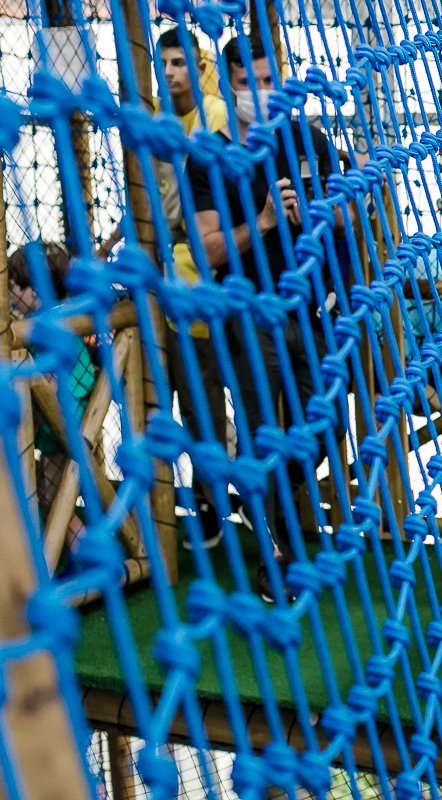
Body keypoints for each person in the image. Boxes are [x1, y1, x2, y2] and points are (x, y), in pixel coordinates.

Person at [186, 35, 345, 601]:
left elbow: (345, 223)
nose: (263, 93)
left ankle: (269, 488)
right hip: (248, 313)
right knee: (262, 429)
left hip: (313, 308)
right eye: (250, 82)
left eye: (270, 80)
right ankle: (277, 556)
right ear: (230, 84)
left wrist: (330, 209)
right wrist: (264, 221)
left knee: (324, 427)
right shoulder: (210, 155)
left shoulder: (310, 139)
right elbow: (207, 249)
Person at [154, 26, 231, 550]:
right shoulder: (160, 124)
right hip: (175, 280)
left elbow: (185, 207)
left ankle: (230, 497)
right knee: (191, 400)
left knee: (222, 398)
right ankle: (210, 501)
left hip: (217, 279)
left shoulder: (214, 116)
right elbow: (161, 207)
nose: (172, 72)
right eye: (166, 63)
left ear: (199, 66)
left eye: (182, 62)